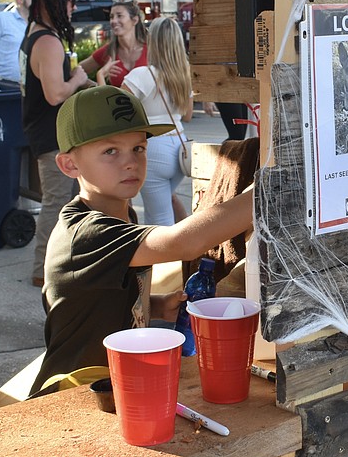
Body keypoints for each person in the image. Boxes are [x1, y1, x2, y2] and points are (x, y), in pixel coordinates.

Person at [30, 85, 254, 394]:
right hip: (72, 392)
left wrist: (158, 305)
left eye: (138, 148)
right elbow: (185, 242)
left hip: (116, 382)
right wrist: (271, 189)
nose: (130, 162)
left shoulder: (122, 215)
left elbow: (100, 295)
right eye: (110, 151)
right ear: (70, 165)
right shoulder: (87, 232)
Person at [20, 0, 95, 288]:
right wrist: (77, 79)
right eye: (69, 1)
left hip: (48, 132)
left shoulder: (36, 34)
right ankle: (43, 269)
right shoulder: (47, 41)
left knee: (69, 198)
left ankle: (62, 261)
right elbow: (55, 94)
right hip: (51, 135)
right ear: (52, 0)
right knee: (55, 200)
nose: (72, 8)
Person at [122, 16, 194, 226]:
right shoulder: (184, 74)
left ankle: (167, 258)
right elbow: (188, 115)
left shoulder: (142, 75)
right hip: (180, 148)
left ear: (153, 41)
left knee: (158, 220)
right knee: (161, 213)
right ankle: (180, 254)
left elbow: (115, 111)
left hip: (153, 148)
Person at [79, 0, 147, 87]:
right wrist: (95, 86)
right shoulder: (108, 51)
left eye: (119, 16)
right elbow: (76, 72)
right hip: (118, 101)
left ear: (134, 20)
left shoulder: (151, 49)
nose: (114, 21)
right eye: (111, 17)